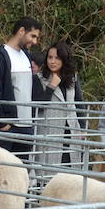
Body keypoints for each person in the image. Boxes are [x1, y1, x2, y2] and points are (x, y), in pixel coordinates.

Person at [0, 16, 42, 161]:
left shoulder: (27, 56)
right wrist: (0, 123)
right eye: (32, 36)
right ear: (21, 31)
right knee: (0, 172)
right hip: (6, 128)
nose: (34, 41)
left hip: (26, 126)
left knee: (22, 174)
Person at [33, 40, 83, 172]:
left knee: (71, 171)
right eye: (50, 57)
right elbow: (38, 106)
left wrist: (83, 128)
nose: (52, 61)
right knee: (48, 172)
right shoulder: (38, 78)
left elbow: (79, 103)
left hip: (71, 131)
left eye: (57, 58)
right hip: (49, 132)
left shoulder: (73, 78)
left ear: (64, 59)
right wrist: (51, 86)